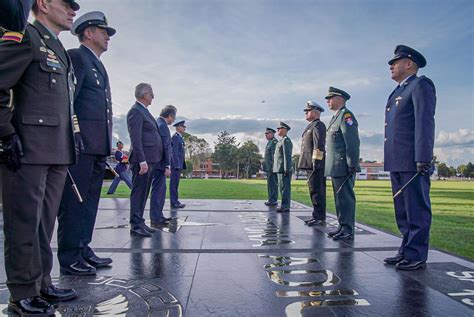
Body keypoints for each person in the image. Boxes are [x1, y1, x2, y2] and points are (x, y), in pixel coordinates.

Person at [0, 0, 80, 314]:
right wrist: (5, 133)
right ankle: (21, 294)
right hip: (28, 148)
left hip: (56, 149)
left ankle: (42, 283)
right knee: (23, 225)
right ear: (43, 4)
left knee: (43, 225)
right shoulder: (24, 36)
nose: (73, 9)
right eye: (67, 4)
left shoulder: (58, 49)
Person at [57, 11, 116, 276]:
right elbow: (69, 100)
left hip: (97, 148)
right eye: (104, 31)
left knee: (90, 203)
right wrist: (76, 136)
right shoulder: (77, 58)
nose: (108, 37)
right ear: (89, 33)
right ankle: (70, 257)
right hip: (81, 147)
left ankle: (83, 248)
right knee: (74, 203)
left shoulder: (98, 65)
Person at [383, 45, 436, 271]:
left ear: (409, 63)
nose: (391, 66)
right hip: (397, 160)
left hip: (412, 160)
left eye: (395, 62)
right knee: (403, 211)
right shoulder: (397, 92)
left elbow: (424, 121)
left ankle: (416, 255)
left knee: (416, 209)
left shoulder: (420, 84)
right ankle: (406, 250)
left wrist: (423, 157)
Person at [127, 83, 164, 237]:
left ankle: (139, 222)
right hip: (142, 161)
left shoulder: (144, 111)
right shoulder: (135, 111)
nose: (153, 97)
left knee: (144, 193)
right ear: (144, 95)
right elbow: (135, 138)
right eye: (151, 94)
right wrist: (142, 160)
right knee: (139, 192)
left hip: (150, 160)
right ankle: (135, 225)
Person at [324, 87, 360, 241]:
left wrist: (352, 164)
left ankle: (348, 230)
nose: (328, 101)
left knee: (346, 198)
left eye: (330, 98)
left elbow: (351, 142)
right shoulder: (335, 117)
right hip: (335, 166)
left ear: (340, 99)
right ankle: (342, 226)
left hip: (343, 165)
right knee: (339, 199)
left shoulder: (346, 116)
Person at [298, 101, 327, 226]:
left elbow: (318, 145)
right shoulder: (311, 125)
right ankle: (316, 215)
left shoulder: (318, 125)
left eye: (307, 111)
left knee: (317, 191)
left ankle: (320, 217)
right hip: (309, 163)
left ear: (316, 112)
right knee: (313, 190)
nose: (305, 113)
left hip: (315, 164)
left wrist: (316, 161)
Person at [151, 105, 176, 226]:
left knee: (159, 190)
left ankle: (158, 215)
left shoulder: (157, 123)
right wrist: (167, 165)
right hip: (161, 164)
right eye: (173, 118)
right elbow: (166, 146)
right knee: (159, 191)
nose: (173, 121)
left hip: (155, 163)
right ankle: (156, 217)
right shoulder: (163, 127)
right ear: (170, 116)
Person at [273, 122, 293, 213]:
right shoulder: (280, 141)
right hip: (279, 168)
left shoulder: (286, 141)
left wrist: (287, 169)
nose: (277, 130)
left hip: (283, 169)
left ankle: (285, 206)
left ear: (285, 129)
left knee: (285, 188)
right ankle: (283, 205)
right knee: (281, 188)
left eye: (279, 128)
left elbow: (287, 156)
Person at [170, 120, 186, 209]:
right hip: (176, 165)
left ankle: (175, 200)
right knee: (174, 184)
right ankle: (174, 202)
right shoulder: (175, 137)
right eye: (183, 127)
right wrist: (176, 164)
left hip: (179, 164)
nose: (184, 128)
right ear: (178, 128)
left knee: (176, 184)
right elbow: (174, 152)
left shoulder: (180, 137)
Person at [263, 127, 278, 207]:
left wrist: (273, 167)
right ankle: (270, 199)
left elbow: (274, 156)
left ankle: (273, 200)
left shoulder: (274, 142)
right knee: (270, 184)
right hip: (269, 168)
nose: (266, 135)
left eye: (267, 133)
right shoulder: (269, 142)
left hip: (272, 168)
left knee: (273, 184)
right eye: (265, 133)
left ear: (272, 134)